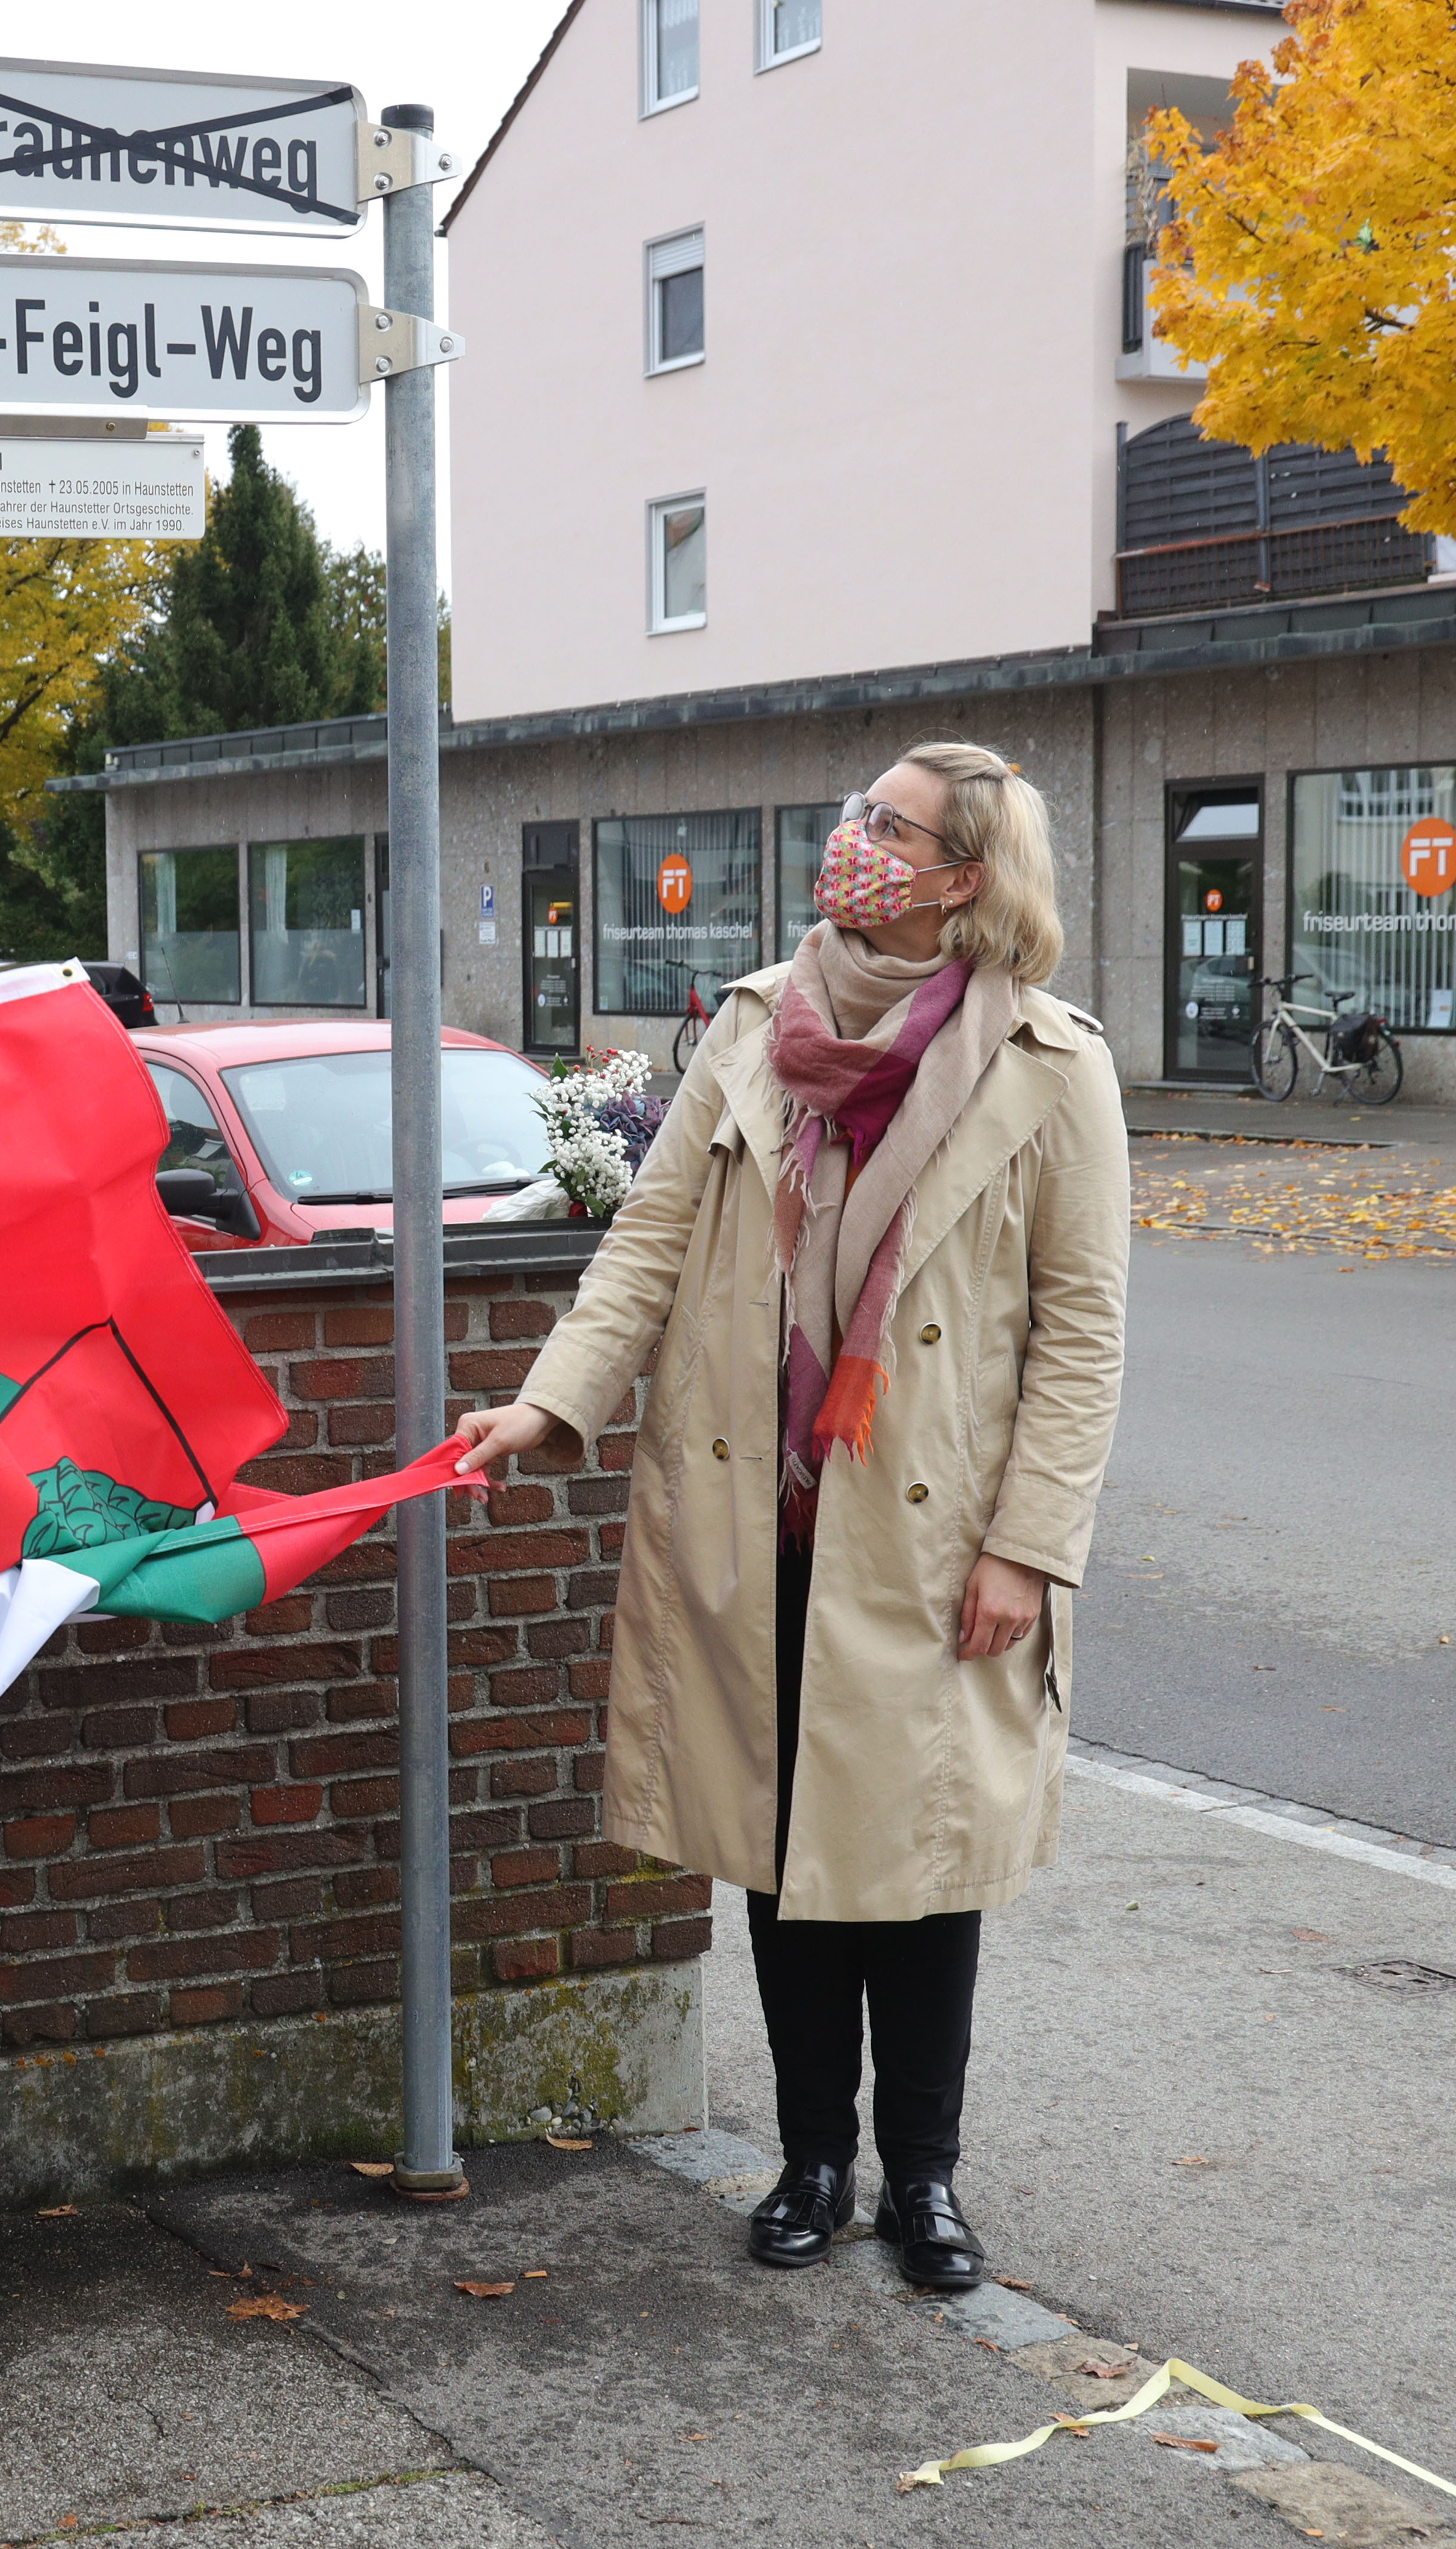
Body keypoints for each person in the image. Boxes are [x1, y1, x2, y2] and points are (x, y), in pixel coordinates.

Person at [454, 742, 1126, 2295]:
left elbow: (1082, 1329)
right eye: (853, 818)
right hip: (757, 1501)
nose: (852, 844)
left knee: (921, 1860)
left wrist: (1031, 1543)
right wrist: (554, 1401)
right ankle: (814, 2158)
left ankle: (927, 2179)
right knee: (781, 1842)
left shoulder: (1050, 1061)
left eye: (887, 827)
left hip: (939, 1524)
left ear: (965, 876)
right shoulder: (760, 1028)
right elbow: (649, 1237)